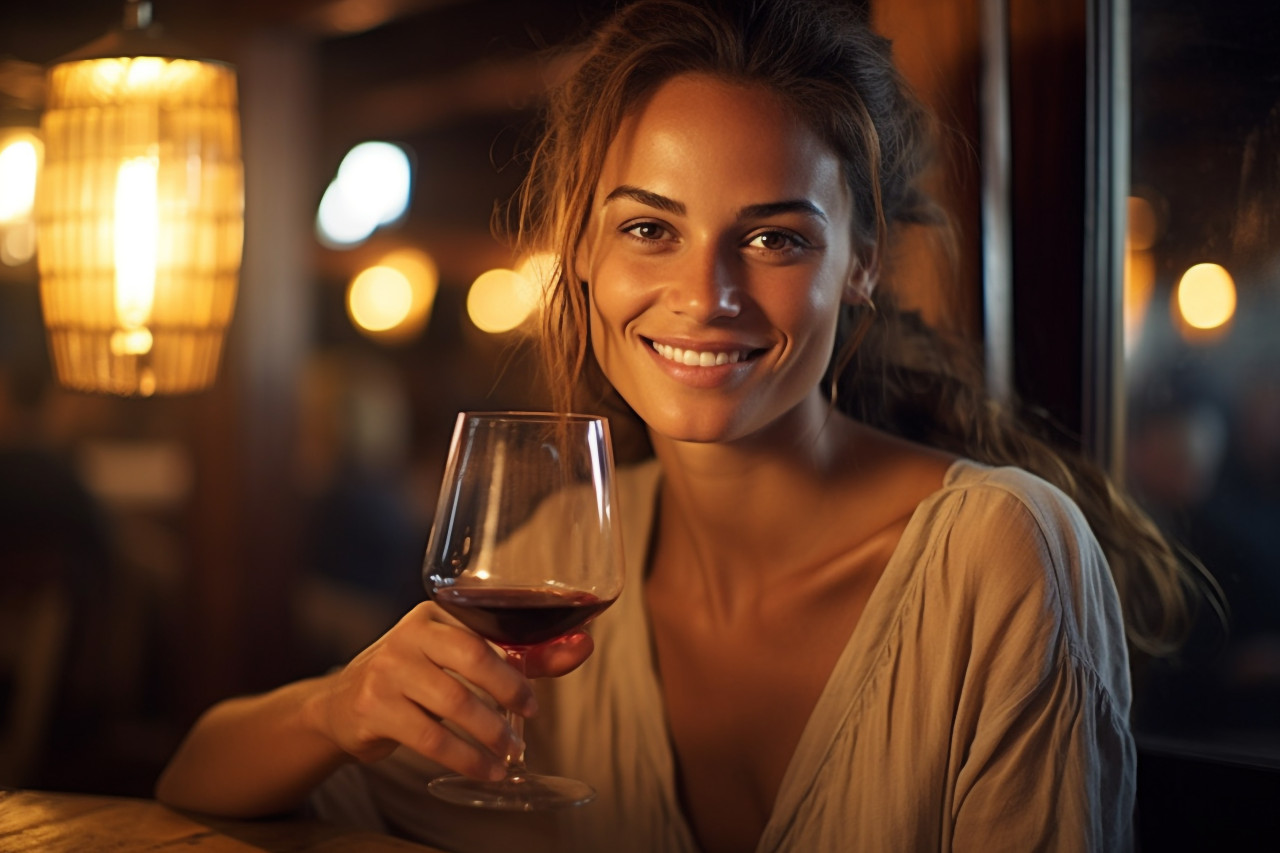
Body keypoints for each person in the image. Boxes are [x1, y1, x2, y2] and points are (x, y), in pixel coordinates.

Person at [156, 1, 1198, 850]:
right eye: (649, 229)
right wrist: (337, 706)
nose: (704, 295)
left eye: (774, 239)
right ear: (581, 255)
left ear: (862, 264)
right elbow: (193, 779)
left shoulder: (1001, 553)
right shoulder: (563, 550)